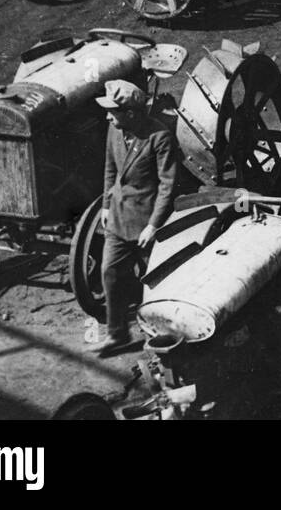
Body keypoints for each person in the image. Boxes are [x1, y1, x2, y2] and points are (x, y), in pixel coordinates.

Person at [93, 80, 180, 357]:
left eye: (112, 111)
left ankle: (165, 337)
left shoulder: (160, 137)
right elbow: (109, 168)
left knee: (155, 282)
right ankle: (117, 334)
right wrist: (106, 205)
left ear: (131, 113)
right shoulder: (114, 128)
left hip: (145, 223)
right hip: (118, 216)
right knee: (109, 272)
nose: (107, 116)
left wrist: (154, 224)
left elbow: (168, 184)